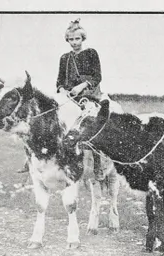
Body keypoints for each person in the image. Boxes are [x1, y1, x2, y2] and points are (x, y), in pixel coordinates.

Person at [17, 19, 105, 179]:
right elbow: (59, 81)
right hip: (68, 96)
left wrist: (81, 86)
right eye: (71, 39)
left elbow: (97, 76)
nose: (74, 42)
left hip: (89, 94)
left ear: (83, 38)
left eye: (77, 39)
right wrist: (63, 90)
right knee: (45, 117)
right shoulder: (65, 58)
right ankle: (31, 158)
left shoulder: (91, 53)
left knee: (92, 121)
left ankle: (98, 165)